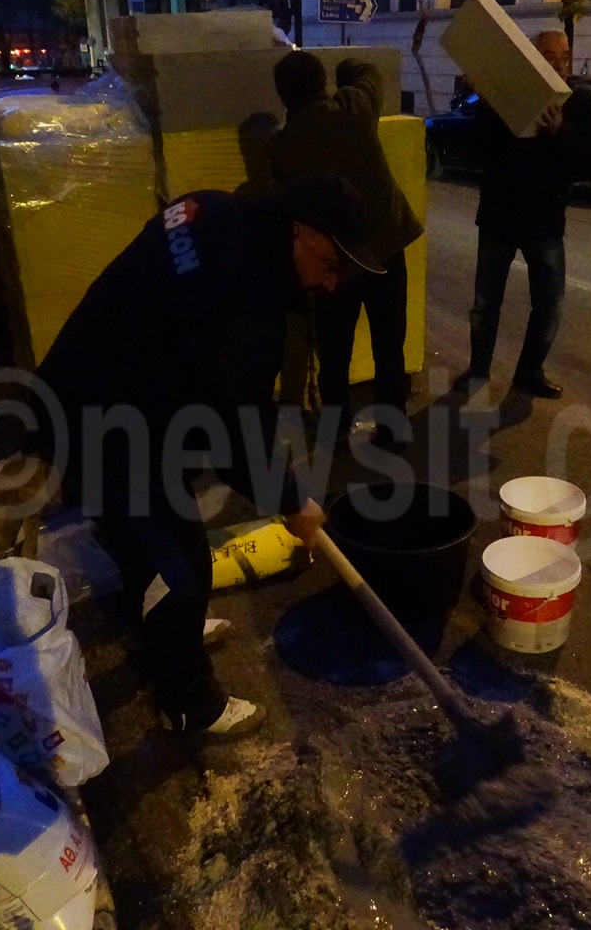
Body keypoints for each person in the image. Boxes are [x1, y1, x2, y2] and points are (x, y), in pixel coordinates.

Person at [34, 176, 381, 737]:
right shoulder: (247, 298)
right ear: (298, 231)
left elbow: (187, 342)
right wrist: (292, 500)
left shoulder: (216, 211)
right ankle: (190, 708)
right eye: (329, 264)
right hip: (105, 423)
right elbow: (235, 428)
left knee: (145, 548)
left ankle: (166, 631)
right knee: (180, 564)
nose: (331, 283)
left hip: (89, 389)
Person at [269, 51, 424, 450]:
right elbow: (370, 72)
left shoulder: (283, 148)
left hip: (334, 263)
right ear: (322, 83)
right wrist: (345, 69)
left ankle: (334, 430)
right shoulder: (354, 108)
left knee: (334, 352)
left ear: (284, 96)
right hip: (385, 249)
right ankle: (392, 430)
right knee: (389, 346)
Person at [452, 30, 591, 399]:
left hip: (545, 223)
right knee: (486, 304)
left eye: (565, 56)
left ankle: (529, 371)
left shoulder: (578, 104)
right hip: (499, 218)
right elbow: (474, 151)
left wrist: (560, 131)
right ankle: (478, 370)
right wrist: (486, 101)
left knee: (549, 305)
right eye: (549, 56)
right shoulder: (505, 97)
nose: (559, 64)